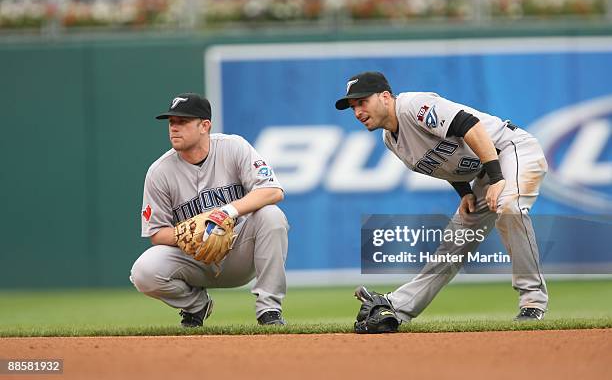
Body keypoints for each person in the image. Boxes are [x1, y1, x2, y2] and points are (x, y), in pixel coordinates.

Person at [335, 71, 549, 332]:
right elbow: (442, 161)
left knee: (510, 208)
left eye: (362, 101)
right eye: (353, 106)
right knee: (454, 243)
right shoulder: (391, 140)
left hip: (511, 150)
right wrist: (465, 192)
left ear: (385, 97)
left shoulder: (413, 106)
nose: (357, 111)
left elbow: (469, 125)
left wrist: (495, 178)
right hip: (484, 171)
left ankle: (533, 301)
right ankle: (397, 306)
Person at [131, 93, 289, 327]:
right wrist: (190, 233)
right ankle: (197, 306)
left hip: (239, 251)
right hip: (194, 258)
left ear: (205, 126)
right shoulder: (159, 172)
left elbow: (273, 191)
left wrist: (225, 213)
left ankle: (269, 310)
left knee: (272, 215)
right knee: (143, 272)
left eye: (182, 121)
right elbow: (157, 233)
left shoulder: (233, 147)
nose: (174, 128)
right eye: (171, 122)